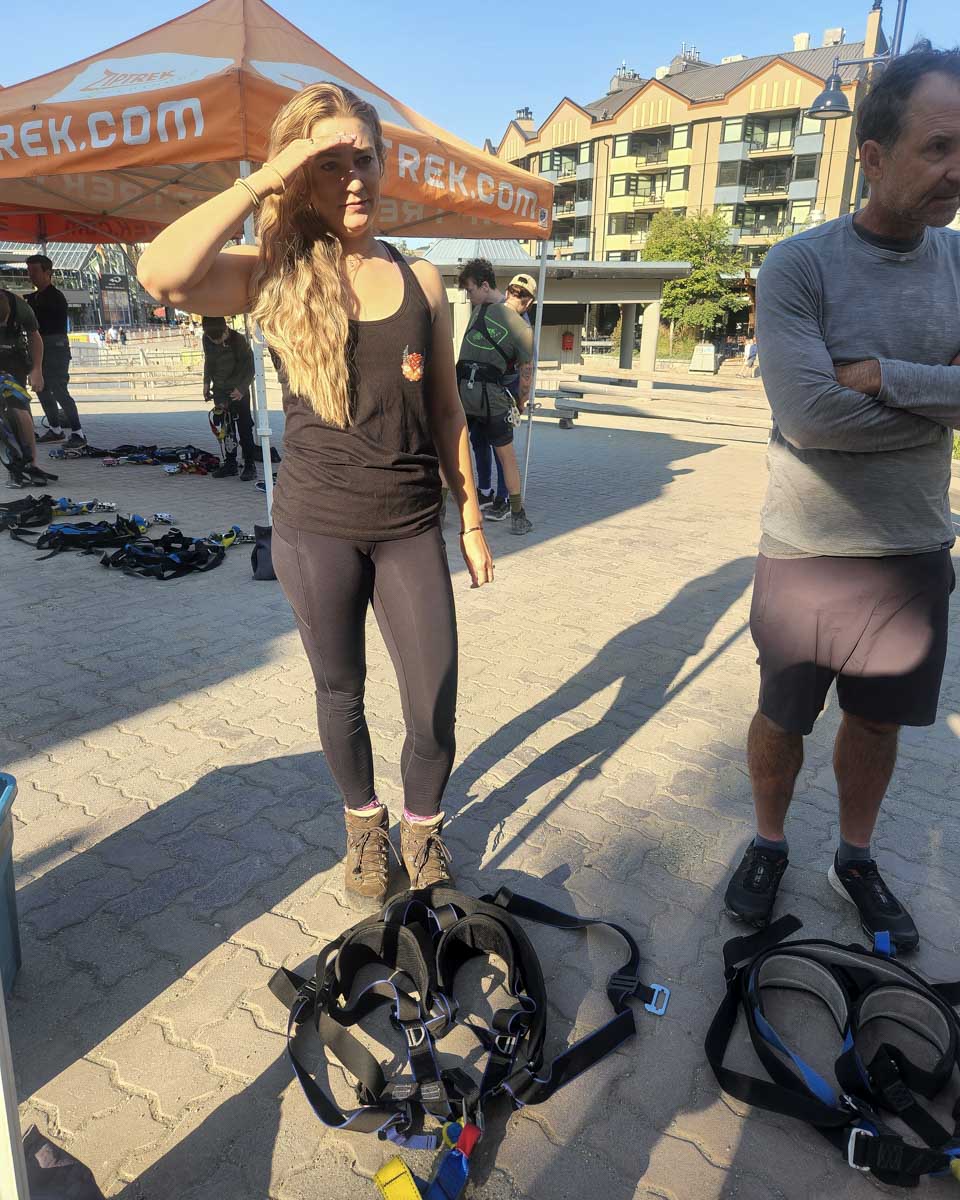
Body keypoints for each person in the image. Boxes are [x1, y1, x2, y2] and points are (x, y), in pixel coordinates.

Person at [137, 82, 494, 903]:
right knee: (341, 691)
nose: (353, 178)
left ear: (384, 159)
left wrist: (471, 516)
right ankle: (364, 827)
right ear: (301, 175)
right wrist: (265, 179)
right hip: (315, 527)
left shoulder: (425, 281)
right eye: (328, 164)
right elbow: (163, 273)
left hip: (408, 524)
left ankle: (423, 829)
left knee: (433, 698)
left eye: (363, 158)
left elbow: (445, 409)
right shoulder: (275, 272)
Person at [723, 44, 960, 953]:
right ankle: (768, 840)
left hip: (910, 553)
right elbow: (811, 418)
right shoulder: (798, 267)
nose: (956, 169)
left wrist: (881, 377)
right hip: (805, 554)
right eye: (938, 147)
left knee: (876, 723)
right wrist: (937, 400)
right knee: (783, 716)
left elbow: (846, 398)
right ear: (871, 152)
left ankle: (854, 857)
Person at [456, 259, 534, 535]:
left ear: (485, 285)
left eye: (469, 290)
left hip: (468, 393)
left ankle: (505, 506)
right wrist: (521, 404)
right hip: (491, 397)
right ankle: (516, 514)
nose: (468, 296)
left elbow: (524, 373)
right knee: (502, 454)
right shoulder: (520, 327)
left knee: (456, 449)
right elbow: (526, 372)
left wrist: (520, 399)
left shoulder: (482, 313)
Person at [24, 254, 86, 448]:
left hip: (54, 346)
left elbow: (37, 320)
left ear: (47, 273)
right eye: (29, 271)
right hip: (39, 346)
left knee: (59, 388)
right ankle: (55, 429)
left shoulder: (54, 297)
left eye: (34, 271)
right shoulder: (34, 297)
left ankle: (78, 432)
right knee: (41, 388)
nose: (30, 275)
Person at [201, 315, 257, 481]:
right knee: (226, 429)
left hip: (238, 390)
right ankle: (230, 463)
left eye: (219, 338)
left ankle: (249, 465)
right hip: (220, 390)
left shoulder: (238, 340)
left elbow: (250, 365)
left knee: (244, 428)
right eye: (213, 339)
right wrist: (206, 382)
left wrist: (241, 388)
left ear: (225, 331)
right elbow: (208, 362)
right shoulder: (207, 338)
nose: (216, 342)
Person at [0, 286, 44, 485]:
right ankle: (14, 463)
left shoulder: (21, 307)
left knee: (19, 407)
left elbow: (35, 337)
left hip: (14, 357)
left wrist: (37, 371)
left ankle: (32, 463)